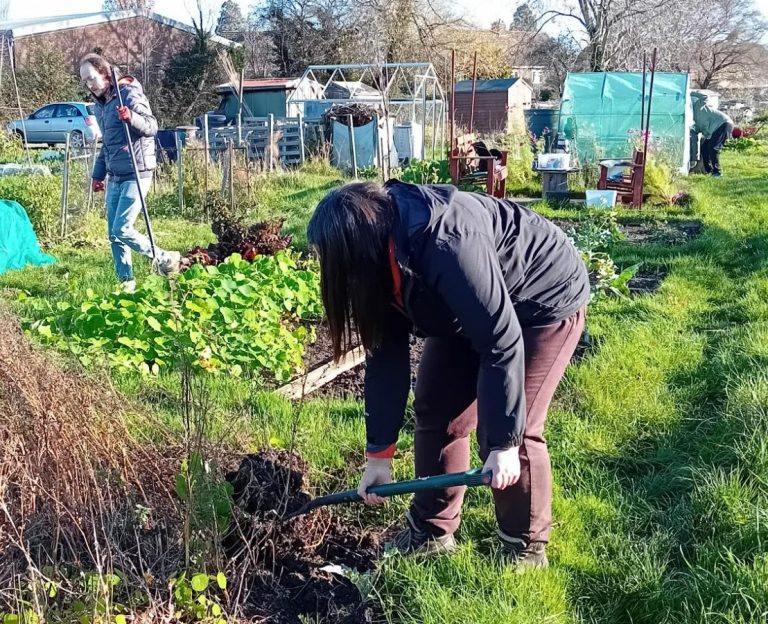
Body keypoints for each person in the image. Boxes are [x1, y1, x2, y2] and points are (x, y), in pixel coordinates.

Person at [307, 181, 590, 569]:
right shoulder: (378, 261)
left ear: (357, 250)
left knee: (514, 429)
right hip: (466, 304)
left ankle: (523, 546)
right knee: (436, 408)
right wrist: (378, 457)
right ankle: (432, 530)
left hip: (541, 300)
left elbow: (500, 341)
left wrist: (503, 445)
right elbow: (385, 358)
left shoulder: (446, 242)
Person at [79, 54, 180, 292]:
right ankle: (126, 282)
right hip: (115, 174)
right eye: (85, 81)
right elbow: (108, 144)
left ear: (105, 73)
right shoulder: (101, 106)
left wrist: (131, 117)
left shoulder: (129, 93)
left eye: (92, 78)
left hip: (137, 171)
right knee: (113, 235)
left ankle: (165, 257)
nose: (90, 85)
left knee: (122, 229)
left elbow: (151, 126)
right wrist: (97, 175)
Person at [692, 92, 733, 177]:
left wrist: (689, 92)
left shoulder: (698, 106)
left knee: (713, 147)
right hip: (713, 131)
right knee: (704, 148)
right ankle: (709, 171)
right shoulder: (693, 119)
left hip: (723, 124)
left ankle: (717, 172)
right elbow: (695, 132)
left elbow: (705, 96)